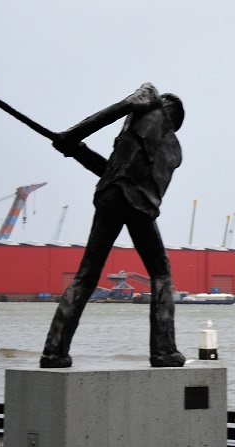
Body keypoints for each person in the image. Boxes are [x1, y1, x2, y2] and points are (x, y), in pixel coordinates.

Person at [40, 83, 186, 369]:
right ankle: (163, 351)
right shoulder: (174, 151)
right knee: (160, 273)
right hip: (139, 207)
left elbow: (114, 171)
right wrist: (76, 144)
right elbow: (126, 177)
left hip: (112, 196)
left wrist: (74, 140)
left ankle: (54, 351)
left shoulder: (144, 107)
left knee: (86, 275)